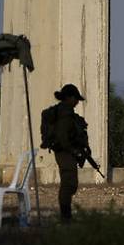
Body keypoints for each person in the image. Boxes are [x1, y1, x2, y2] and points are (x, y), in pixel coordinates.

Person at [52, 83, 88, 222]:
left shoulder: (67, 112)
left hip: (67, 151)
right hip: (64, 152)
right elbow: (63, 137)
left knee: (71, 183)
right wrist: (73, 150)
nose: (77, 102)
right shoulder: (64, 114)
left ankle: (66, 215)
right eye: (75, 99)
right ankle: (65, 216)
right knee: (68, 183)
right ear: (69, 98)